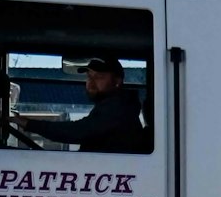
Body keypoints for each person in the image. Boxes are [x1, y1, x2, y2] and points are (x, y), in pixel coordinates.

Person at [18, 57, 150, 154]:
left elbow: (78, 131)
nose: (90, 83)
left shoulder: (118, 109)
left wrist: (29, 124)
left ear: (117, 82)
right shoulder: (115, 106)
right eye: (89, 76)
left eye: (99, 77)